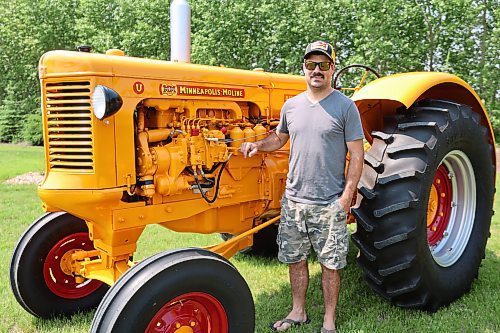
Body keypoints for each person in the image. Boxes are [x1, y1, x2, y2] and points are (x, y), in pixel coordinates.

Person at [240, 41, 364, 333]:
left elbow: (357, 155)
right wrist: (257, 145)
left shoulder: (345, 107)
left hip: (329, 201)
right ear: (303, 69)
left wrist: (346, 196)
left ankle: (329, 321)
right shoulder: (291, 106)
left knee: (331, 264)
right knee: (295, 260)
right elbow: (279, 139)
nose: (316, 70)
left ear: (332, 68)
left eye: (323, 65)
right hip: (294, 201)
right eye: (311, 65)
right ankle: (298, 312)